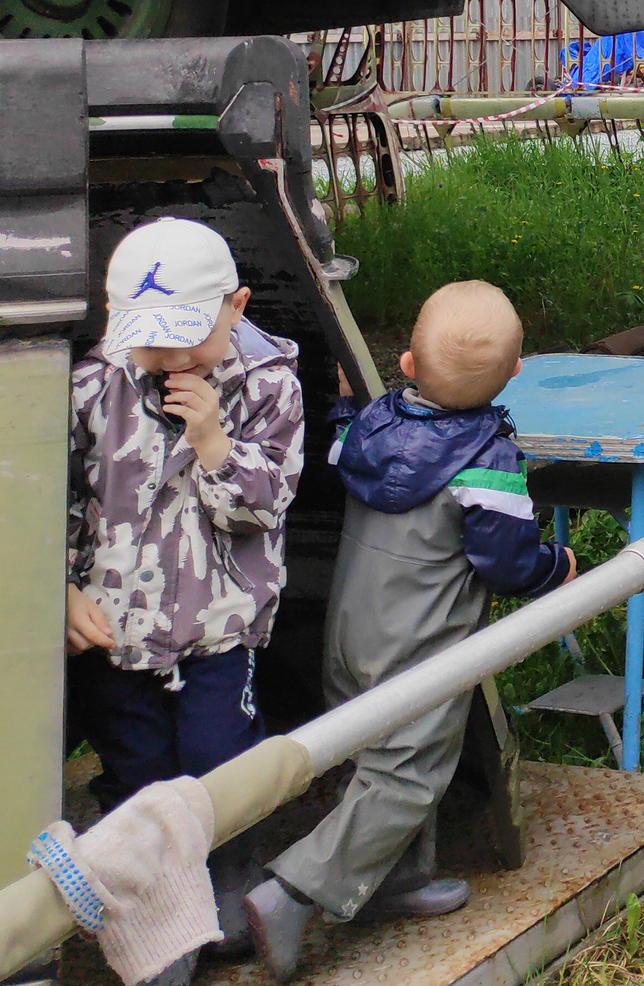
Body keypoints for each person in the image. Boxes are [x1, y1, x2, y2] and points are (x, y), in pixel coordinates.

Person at [244, 282, 577, 979]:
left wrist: (342, 400)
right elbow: (505, 562)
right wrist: (558, 564)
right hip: (417, 650)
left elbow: (336, 451)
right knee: (408, 774)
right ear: (516, 372)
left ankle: (390, 879)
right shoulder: (490, 461)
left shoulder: (372, 427)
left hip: (349, 633)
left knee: (374, 757)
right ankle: (294, 890)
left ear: (406, 364)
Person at [67, 217, 308, 980]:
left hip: (218, 624)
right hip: (116, 627)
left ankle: (231, 870)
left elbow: (264, 505)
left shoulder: (269, 385)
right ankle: (156, 921)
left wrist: (215, 443)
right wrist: (61, 589)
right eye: (150, 338)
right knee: (138, 768)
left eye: (187, 336)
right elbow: (51, 500)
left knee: (216, 757)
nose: (170, 358)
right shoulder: (91, 386)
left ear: (235, 307)